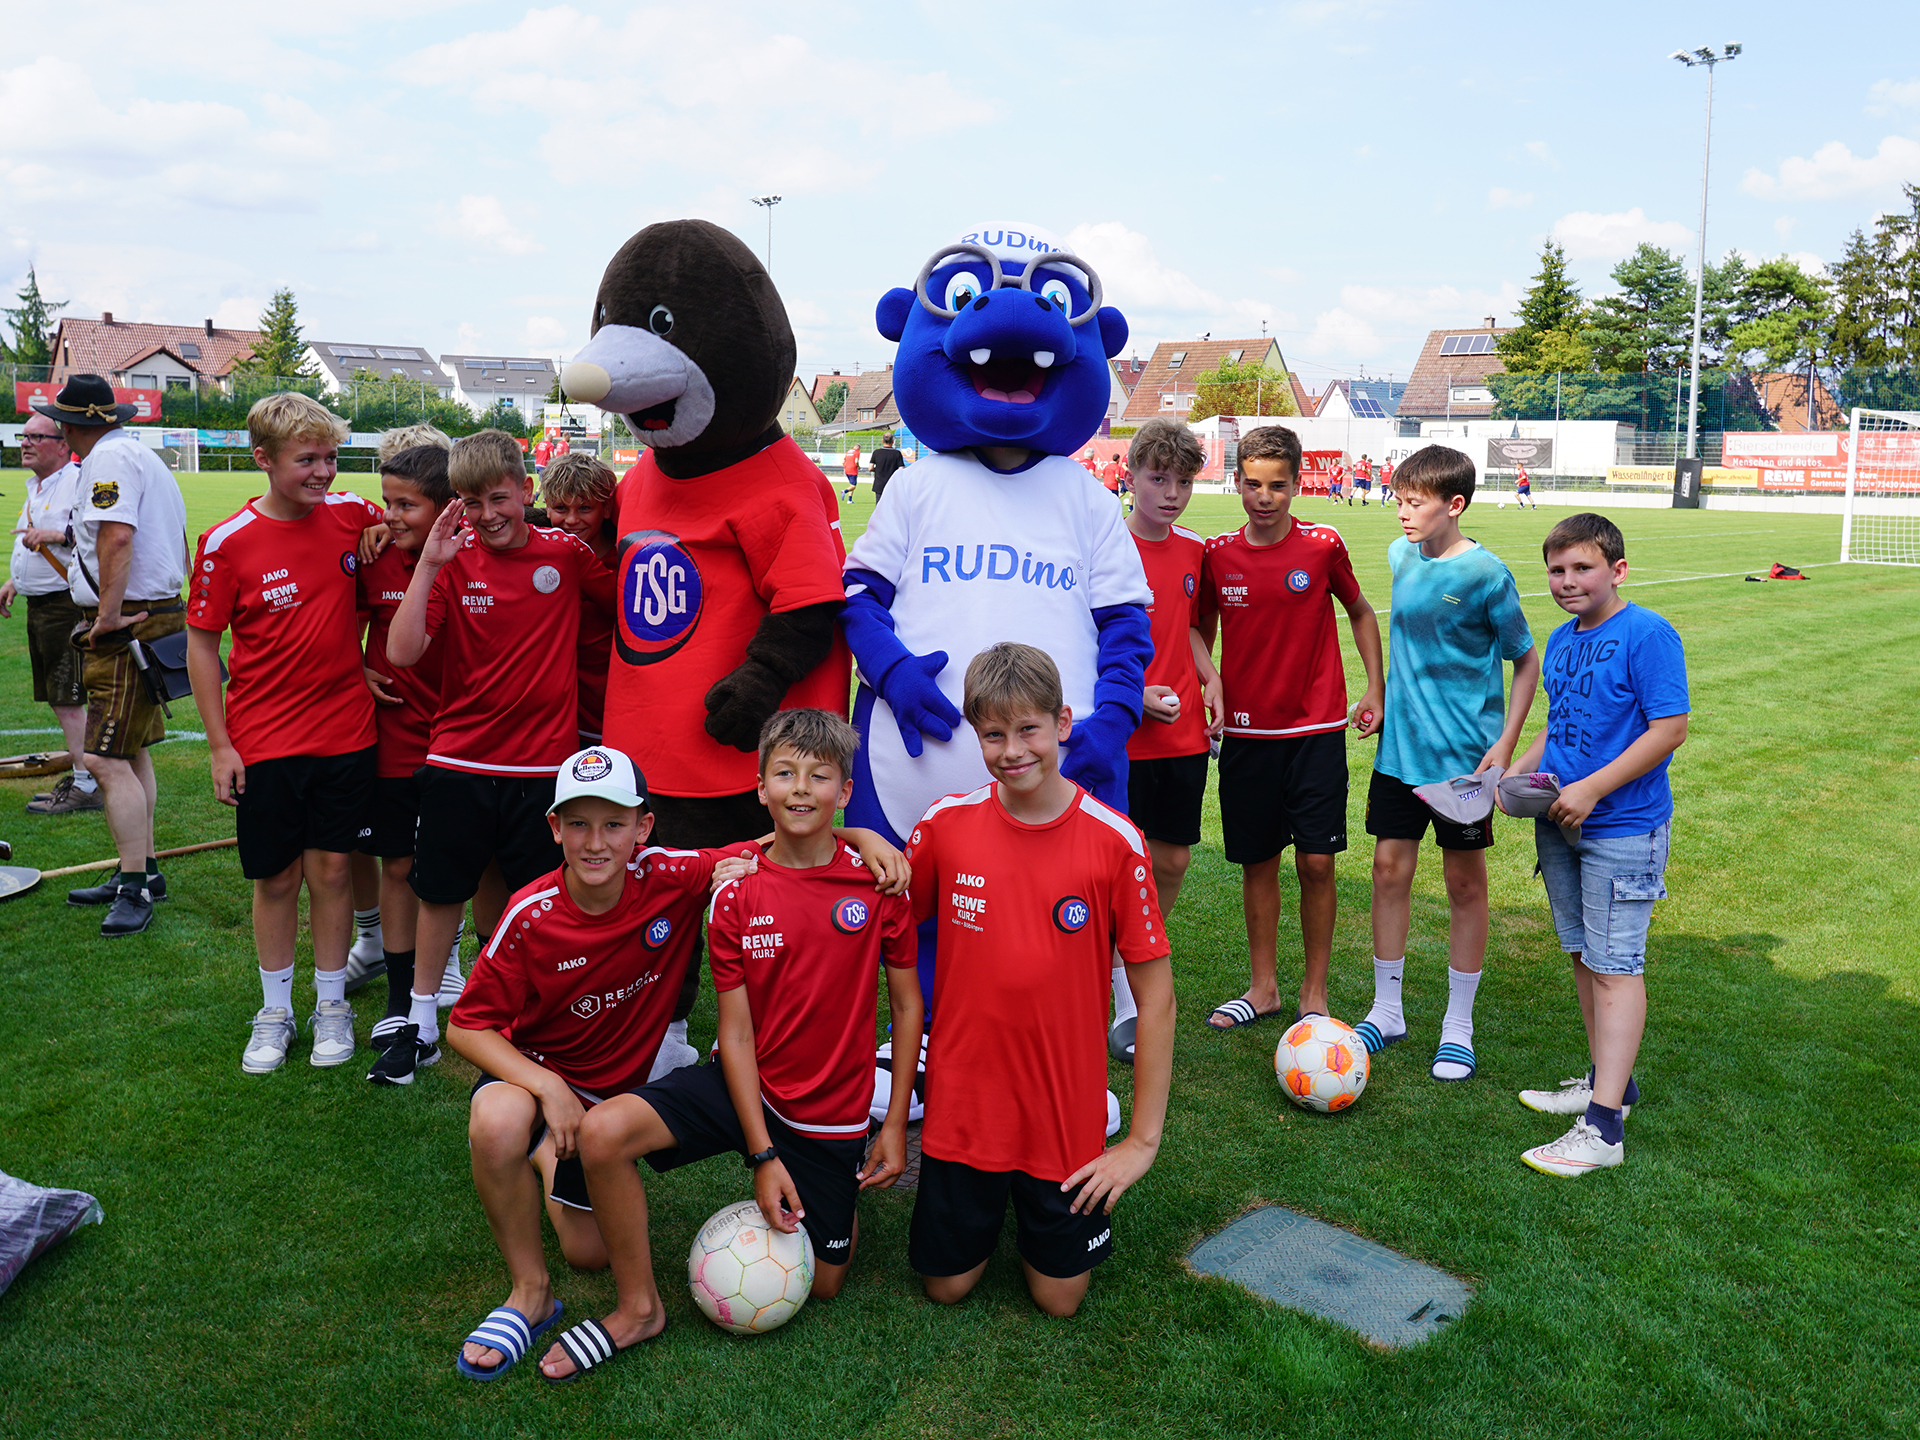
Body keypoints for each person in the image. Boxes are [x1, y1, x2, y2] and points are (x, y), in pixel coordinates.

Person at [536, 713, 920, 1381]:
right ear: (761, 788)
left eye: (819, 777)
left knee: (826, 1283)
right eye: (785, 774)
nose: (801, 789)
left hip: (828, 1113)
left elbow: (908, 1007)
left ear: (845, 791)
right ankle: (637, 1308)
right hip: (741, 1082)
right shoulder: (736, 891)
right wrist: (762, 1154)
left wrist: (890, 1127)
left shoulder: (877, 884)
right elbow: (735, 1032)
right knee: (602, 1132)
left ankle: (827, 1186)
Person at [443, 745, 752, 1380]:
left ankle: (547, 1154)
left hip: (608, 1100)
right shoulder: (530, 914)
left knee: (589, 1254)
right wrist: (546, 1086)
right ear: (555, 828)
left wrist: (859, 836)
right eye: (578, 823)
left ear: (643, 827)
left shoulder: (672, 875)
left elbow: (778, 844)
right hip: (537, 1074)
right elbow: (466, 1025)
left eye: (614, 824)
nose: (595, 842)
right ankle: (529, 1292)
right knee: (497, 1121)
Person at [904, 643, 1175, 1318]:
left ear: (1063, 723)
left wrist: (1142, 1143)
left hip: (1061, 1107)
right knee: (945, 1287)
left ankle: (1064, 1164)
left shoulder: (1114, 841)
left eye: (1028, 729)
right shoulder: (945, 826)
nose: (1011, 750)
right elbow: (880, 910)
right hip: (965, 1105)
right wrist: (858, 840)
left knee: (1060, 1299)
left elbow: (1157, 999)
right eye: (993, 735)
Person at [373, 429, 615, 1086]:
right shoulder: (453, 559)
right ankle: (421, 1022)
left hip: (544, 769)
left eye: (499, 499)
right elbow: (402, 652)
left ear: (526, 490)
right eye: (471, 502)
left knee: (534, 902)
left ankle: (529, 1022)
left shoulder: (565, 553)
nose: (487, 515)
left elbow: (621, 606)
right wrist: (430, 564)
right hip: (461, 762)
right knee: (440, 894)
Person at [186, 393, 386, 1072]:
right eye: (307, 460)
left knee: (332, 870)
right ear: (263, 459)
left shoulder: (353, 514)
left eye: (331, 457)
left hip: (347, 734)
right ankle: (275, 1011)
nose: (323, 472)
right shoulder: (227, 543)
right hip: (265, 740)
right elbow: (202, 646)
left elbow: (397, 532)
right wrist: (220, 745)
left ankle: (332, 1004)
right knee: (276, 878)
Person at [1506, 513, 1687, 1176]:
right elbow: (1558, 726)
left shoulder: (1646, 634)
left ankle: (1604, 1130)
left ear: (1618, 570)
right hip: (1560, 824)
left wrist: (1591, 790)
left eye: (1582, 567)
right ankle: (1610, 1085)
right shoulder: (1561, 638)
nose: (1567, 581)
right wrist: (1515, 775)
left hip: (1622, 828)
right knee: (1585, 956)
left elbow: (1669, 729)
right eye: (1556, 570)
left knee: (1616, 968)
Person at [1356, 445, 1540, 1082]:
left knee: (1465, 885)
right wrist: (1381, 699)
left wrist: (1505, 744)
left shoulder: (1487, 575)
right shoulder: (1399, 554)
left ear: (1454, 504)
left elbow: (1526, 661)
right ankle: (1387, 1011)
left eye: (1414, 503)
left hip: (1462, 764)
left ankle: (1458, 1024)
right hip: (1400, 754)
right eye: (1398, 500)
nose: (1401, 513)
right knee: (1387, 872)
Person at [1198, 425, 1383, 1028]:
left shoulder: (1323, 545)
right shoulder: (1217, 554)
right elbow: (1198, 627)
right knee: (1258, 862)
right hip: (1247, 737)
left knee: (1317, 863)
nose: (1265, 496)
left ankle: (1314, 993)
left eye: (1277, 485)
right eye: (1253, 484)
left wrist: (1374, 687)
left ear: (1297, 484)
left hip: (1315, 731)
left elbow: (1360, 611)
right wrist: (1209, 678)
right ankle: (1263, 988)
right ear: (1237, 483)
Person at [33, 374, 187, 937]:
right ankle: (142, 869)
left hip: (130, 622)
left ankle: (135, 887)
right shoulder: (133, 453)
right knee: (131, 750)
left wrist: (106, 616)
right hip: (151, 614)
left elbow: (116, 537)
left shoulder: (108, 460)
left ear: (70, 426)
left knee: (103, 759)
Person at [1111, 418, 1222, 1063]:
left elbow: (1189, 628)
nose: (1172, 493)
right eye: (1158, 479)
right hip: (1123, 733)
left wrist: (1212, 679)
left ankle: (1126, 963)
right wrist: (1134, 696)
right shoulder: (1106, 546)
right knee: (1115, 862)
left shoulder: (1193, 551)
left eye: (1183, 481)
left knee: (1172, 861)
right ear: (1131, 476)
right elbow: (1084, 636)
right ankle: (1120, 990)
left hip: (1182, 734)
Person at [354, 443, 463, 1051]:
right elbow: (333, 623)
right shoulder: (374, 558)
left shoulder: (476, 555)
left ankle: (452, 963)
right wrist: (354, 665)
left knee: (462, 864)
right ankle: (400, 999)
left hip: (462, 740)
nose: (389, 516)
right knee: (396, 864)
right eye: (386, 502)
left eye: (405, 505)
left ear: (447, 508)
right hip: (395, 735)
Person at [3, 412, 99, 814]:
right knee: (60, 700)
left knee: (68, 699)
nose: (25, 444)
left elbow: (96, 533)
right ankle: (85, 777)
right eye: (23, 437)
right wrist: (14, 581)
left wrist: (56, 535)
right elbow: (34, 541)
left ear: (62, 446)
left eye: (36, 437)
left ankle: (88, 783)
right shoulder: (40, 486)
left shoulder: (76, 481)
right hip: (41, 605)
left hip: (64, 605)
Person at [539, 453, 618, 744]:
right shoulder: (532, 556)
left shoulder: (629, 560)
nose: (571, 520)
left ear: (606, 508)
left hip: (613, 715)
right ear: (547, 508)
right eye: (561, 508)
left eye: (585, 508)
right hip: (556, 721)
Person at [869, 434, 906, 504]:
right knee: (891, 505)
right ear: (893, 441)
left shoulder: (876, 452)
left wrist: (877, 469)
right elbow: (901, 469)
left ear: (882, 441)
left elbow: (870, 468)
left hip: (879, 484)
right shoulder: (897, 453)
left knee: (879, 506)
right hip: (892, 484)